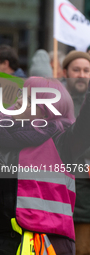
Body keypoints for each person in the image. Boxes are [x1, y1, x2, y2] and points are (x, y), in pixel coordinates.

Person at [0, 77, 90, 255]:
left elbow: (86, 125)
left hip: (44, 245)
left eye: (30, 100)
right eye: (21, 94)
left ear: (47, 112)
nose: (19, 101)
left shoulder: (62, 142)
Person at [62, 50, 90, 255]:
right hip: (71, 192)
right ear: (65, 72)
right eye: (77, 70)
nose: (82, 75)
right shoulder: (56, 103)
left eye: (87, 70)